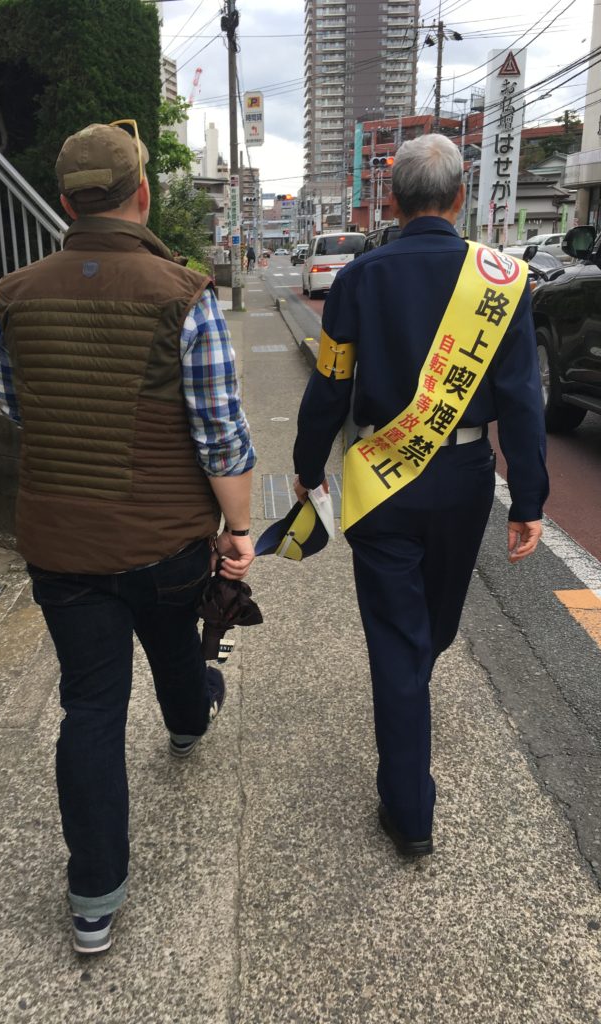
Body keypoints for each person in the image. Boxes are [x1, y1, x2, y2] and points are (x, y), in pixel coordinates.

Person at [0, 121, 255, 953]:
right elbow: (220, 433)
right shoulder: (181, 293)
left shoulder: (16, 294)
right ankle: (187, 723)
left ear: (67, 201)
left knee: (91, 703)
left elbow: (18, 408)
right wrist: (239, 528)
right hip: (166, 539)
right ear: (141, 194)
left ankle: (94, 899)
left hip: (61, 542)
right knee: (174, 639)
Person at [292, 133, 548, 857]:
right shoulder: (503, 281)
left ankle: (407, 757)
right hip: (464, 484)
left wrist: (308, 463)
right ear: (461, 198)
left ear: (394, 201)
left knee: (406, 640)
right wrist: (528, 500)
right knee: (428, 628)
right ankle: (411, 806)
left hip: (381, 481)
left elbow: (330, 385)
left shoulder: (357, 281)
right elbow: (523, 400)